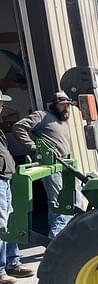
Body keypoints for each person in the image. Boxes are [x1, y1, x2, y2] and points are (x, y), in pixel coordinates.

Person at [13, 91, 80, 239]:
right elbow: (18, 127)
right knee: (60, 202)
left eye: (67, 105)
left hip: (65, 164)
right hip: (51, 165)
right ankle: (54, 239)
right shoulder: (42, 116)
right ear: (54, 105)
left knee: (75, 199)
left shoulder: (62, 120)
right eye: (62, 105)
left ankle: (57, 238)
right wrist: (34, 148)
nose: (66, 108)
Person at [0, 90, 35, 284]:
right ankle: (0, 271)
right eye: (0, 104)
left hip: (5, 179)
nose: (2, 108)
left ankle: (13, 263)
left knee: (10, 222)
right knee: (0, 225)